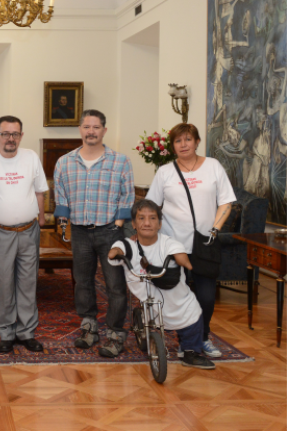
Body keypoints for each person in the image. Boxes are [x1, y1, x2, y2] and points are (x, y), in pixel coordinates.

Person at [146, 123, 235, 358]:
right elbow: (151, 207)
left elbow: (226, 202)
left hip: (205, 243)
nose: (183, 144)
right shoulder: (165, 172)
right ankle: (188, 341)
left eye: (188, 139)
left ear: (197, 142)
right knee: (176, 295)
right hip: (172, 245)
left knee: (205, 296)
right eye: (178, 141)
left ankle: (203, 336)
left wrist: (215, 229)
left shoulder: (213, 167)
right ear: (172, 146)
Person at [53, 109, 134, 358]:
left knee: (115, 286)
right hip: (79, 232)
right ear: (80, 129)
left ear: (104, 130)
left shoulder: (120, 161)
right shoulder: (64, 161)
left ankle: (115, 333)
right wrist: (64, 222)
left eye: (96, 127)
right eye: (86, 127)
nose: (91, 131)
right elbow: (61, 193)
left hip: (111, 231)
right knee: (83, 283)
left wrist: (119, 224)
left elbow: (127, 195)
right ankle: (89, 328)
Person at [107, 199, 216, 369]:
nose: (147, 223)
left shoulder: (168, 242)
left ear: (159, 224)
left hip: (176, 296)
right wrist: (115, 252)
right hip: (150, 298)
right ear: (134, 224)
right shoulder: (129, 244)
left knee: (193, 312)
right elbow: (118, 249)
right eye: (141, 218)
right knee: (153, 313)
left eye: (152, 218)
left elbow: (179, 253)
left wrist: (183, 260)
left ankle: (190, 352)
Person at [0, 115, 49, 354]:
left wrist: (40, 219)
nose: (11, 138)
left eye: (15, 134)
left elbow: (39, 191)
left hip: (29, 231)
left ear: (21, 136)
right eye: (6, 133)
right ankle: (7, 333)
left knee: (28, 282)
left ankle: (27, 332)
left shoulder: (31, 157)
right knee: (2, 284)